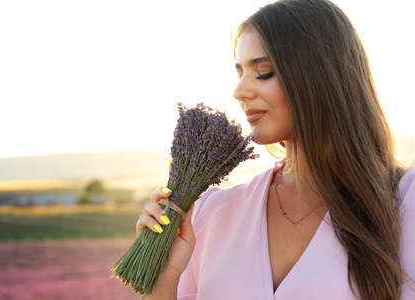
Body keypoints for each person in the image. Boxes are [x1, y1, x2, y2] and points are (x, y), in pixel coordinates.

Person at [136, 0, 415, 299]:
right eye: (240, 71)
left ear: (320, 75)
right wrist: (163, 280)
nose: (240, 90)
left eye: (263, 72)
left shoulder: (404, 202)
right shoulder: (210, 215)